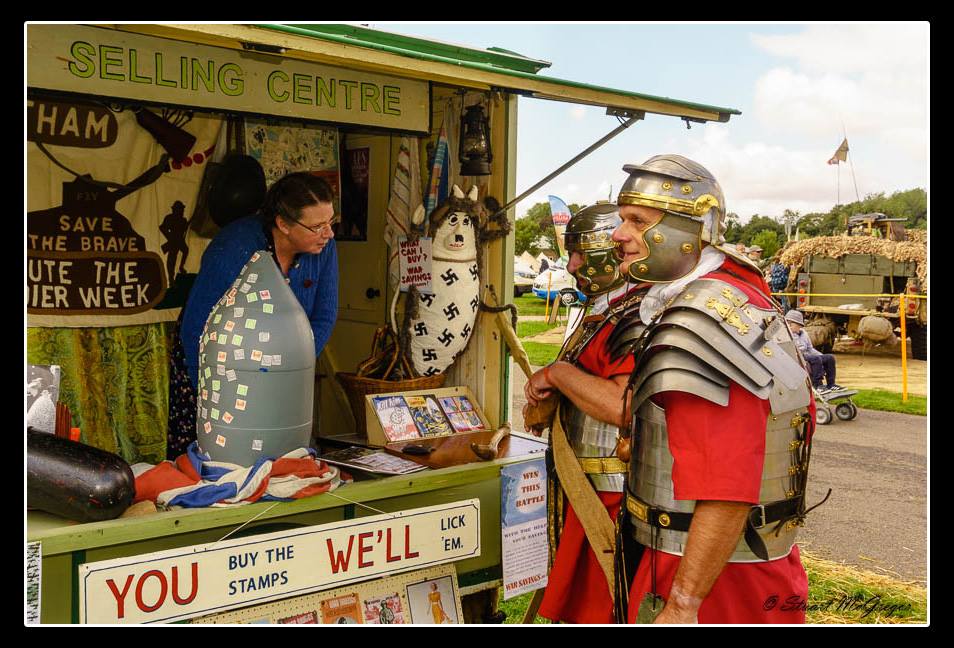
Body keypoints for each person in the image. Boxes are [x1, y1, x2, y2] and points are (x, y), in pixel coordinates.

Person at [609, 154, 817, 624]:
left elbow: (728, 484)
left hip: (712, 574)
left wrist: (684, 603)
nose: (619, 234)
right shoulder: (730, 295)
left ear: (693, 228)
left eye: (637, 221)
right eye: (623, 219)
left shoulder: (701, 319)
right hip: (716, 556)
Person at [524, 202, 649, 623]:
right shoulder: (605, 310)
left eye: (580, 254)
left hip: (611, 491)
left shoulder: (634, 314)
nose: (572, 265)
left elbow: (622, 406)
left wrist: (558, 374)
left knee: (603, 607)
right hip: (585, 484)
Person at [168, 172, 339, 458]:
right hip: (216, 370)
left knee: (282, 453)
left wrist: (293, 370)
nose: (329, 233)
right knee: (215, 456)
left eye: (331, 222)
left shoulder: (323, 248)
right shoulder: (234, 247)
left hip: (287, 371)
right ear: (283, 224)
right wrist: (212, 395)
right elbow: (198, 326)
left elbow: (325, 314)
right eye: (317, 226)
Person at [785, 310, 841, 391]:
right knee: (816, 359)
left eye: (800, 325)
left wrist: (821, 356)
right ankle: (818, 385)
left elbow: (810, 348)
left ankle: (831, 384)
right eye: (798, 325)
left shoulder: (804, 333)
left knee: (830, 358)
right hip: (796, 356)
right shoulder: (786, 335)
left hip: (806, 355)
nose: (800, 327)